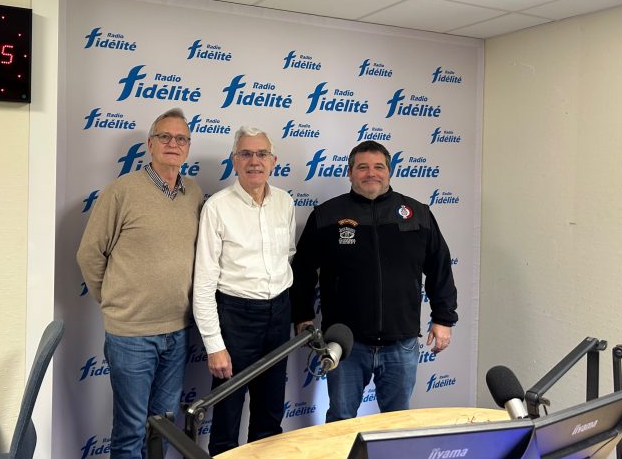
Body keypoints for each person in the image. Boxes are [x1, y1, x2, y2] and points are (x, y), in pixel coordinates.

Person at [290, 140, 457, 422]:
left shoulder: (417, 214)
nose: (371, 173)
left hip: (401, 343)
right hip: (345, 344)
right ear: (350, 173)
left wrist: (443, 318)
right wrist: (302, 315)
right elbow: (303, 270)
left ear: (389, 172)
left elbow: (440, 267)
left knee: (396, 424)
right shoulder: (327, 215)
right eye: (363, 167)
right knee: (341, 420)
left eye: (379, 167)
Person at [77, 108, 203, 459]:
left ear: (188, 147)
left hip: (178, 332)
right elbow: (89, 254)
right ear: (150, 144)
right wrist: (115, 300)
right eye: (165, 136)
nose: (173, 143)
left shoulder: (194, 193)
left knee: (163, 427)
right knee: (130, 431)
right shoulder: (121, 191)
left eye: (181, 138)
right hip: (132, 335)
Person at [193, 126, 296, 455]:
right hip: (236, 317)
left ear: (273, 161)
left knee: (270, 415)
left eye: (262, 154)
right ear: (234, 161)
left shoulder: (285, 202)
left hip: (279, 313)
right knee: (227, 416)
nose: (255, 161)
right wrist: (214, 345)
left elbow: (287, 256)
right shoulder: (217, 207)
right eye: (246, 154)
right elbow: (204, 282)